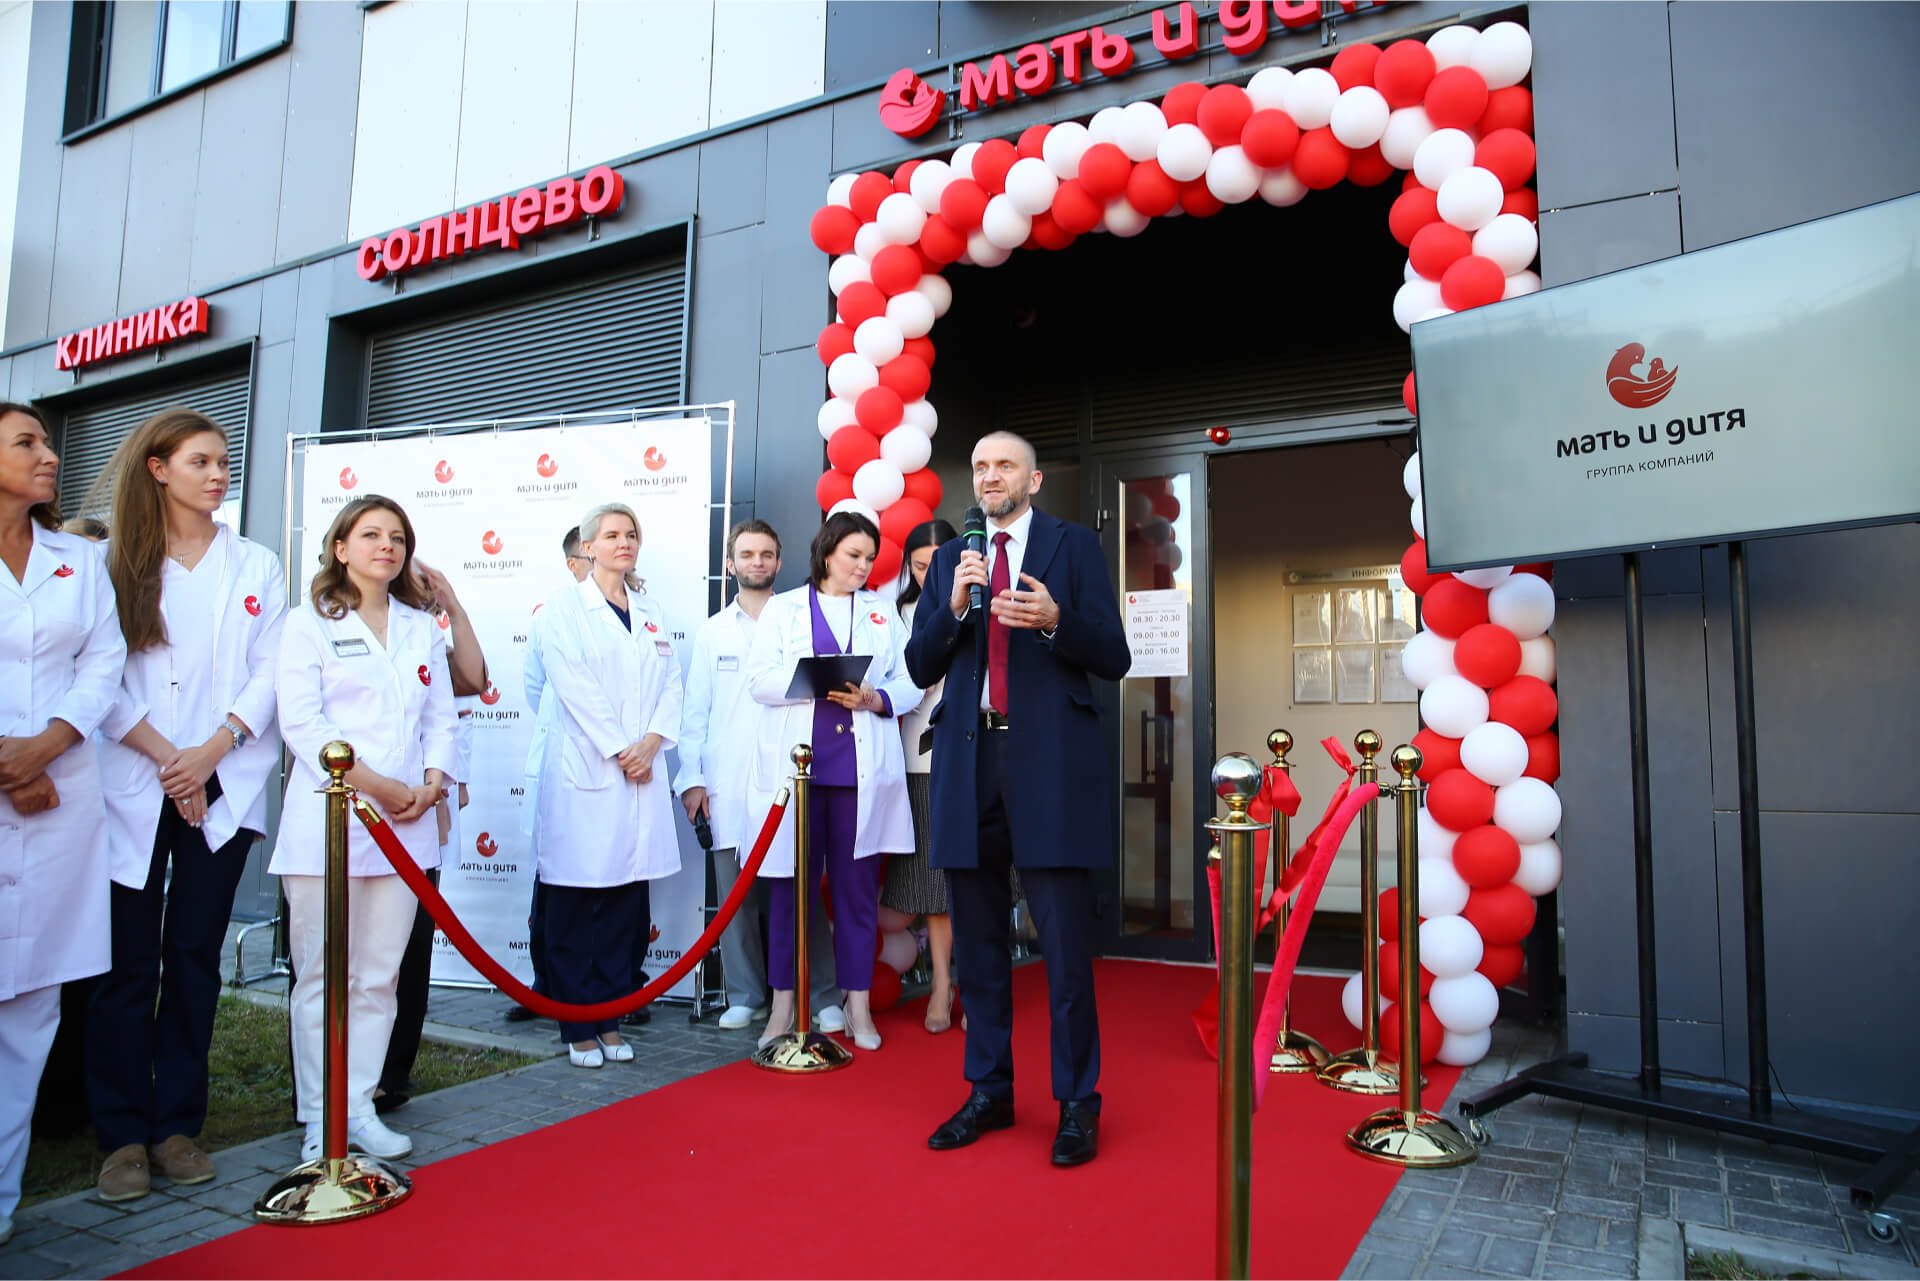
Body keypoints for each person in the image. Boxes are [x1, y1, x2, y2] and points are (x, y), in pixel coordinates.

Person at [906, 430, 1130, 1168]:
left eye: (1005, 465)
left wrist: (1057, 622)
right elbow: (919, 663)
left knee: (1062, 947)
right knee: (977, 944)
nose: (990, 476)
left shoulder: (1073, 546)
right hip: (969, 762)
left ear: (1034, 480)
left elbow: (1114, 655)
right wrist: (954, 607)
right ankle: (989, 1091)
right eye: (980, 466)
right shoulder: (952, 558)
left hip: (1049, 765)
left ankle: (1077, 1102)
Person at [85, 409, 285, 1201]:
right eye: (200, 460)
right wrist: (173, 761)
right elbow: (99, 677)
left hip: (222, 780)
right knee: (126, 965)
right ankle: (120, 1137)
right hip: (135, 781)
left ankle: (176, 1125)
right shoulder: (109, 561)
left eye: (223, 460)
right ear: (158, 468)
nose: (218, 473)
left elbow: (269, 673)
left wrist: (211, 751)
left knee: (195, 954)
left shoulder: (256, 563)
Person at [272, 495, 457, 1162]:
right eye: (371, 534)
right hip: (331, 822)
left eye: (397, 537)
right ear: (340, 547)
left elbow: (441, 719)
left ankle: (359, 1106)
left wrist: (431, 783)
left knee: (380, 977)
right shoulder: (307, 624)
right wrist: (377, 785)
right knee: (323, 979)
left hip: (407, 825)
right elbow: (303, 723)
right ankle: (319, 1118)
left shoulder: (421, 627)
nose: (387, 546)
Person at [0, 403, 126, 1247]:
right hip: (20, 784)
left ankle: (1, 1198)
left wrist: (47, 745)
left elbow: (104, 662)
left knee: (32, 1007)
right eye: (27, 443)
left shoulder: (79, 560)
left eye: (47, 442)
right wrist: (9, 763)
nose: (49, 454)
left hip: (61, 795)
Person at [745, 512, 920, 1053]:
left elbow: (911, 681)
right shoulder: (783, 609)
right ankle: (783, 1005)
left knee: (857, 895)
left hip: (857, 774)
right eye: (853, 556)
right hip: (798, 775)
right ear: (826, 555)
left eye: (870, 558)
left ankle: (857, 1003)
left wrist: (877, 698)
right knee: (789, 892)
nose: (863, 567)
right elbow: (758, 680)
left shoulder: (881, 611)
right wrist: (813, 680)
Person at [534, 504, 683, 1069]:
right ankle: (578, 1026)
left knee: (625, 907)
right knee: (576, 906)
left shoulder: (650, 610)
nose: (625, 543)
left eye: (631, 534)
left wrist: (652, 743)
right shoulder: (563, 608)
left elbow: (672, 681)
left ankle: (612, 1020)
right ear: (588, 546)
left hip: (641, 770)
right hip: (591, 771)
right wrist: (622, 747)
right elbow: (573, 685)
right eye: (613, 535)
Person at [679, 519, 838, 1030]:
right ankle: (747, 995)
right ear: (730, 564)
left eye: (766, 554)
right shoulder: (712, 632)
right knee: (736, 896)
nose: (757, 562)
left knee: (801, 889)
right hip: (726, 781)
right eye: (747, 554)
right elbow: (695, 713)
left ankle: (822, 994)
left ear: (779, 560)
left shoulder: (800, 618)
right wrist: (693, 780)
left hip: (789, 775)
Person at [506, 527, 592, 1024]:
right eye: (588, 554)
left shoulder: (639, 614)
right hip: (562, 763)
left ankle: (621, 985)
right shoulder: (550, 615)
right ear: (573, 563)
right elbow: (536, 688)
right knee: (553, 880)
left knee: (621, 884)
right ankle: (546, 986)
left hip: (622, 769)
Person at [885, 519, 960, 1034]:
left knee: (978, 874)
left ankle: (976, 982)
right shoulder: (896, 613)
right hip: (919, 756)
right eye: (919, 565)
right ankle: (940, 984)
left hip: (977, 753)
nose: (929, 573)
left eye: (939, 562)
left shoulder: (979, 600)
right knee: (934, 880)